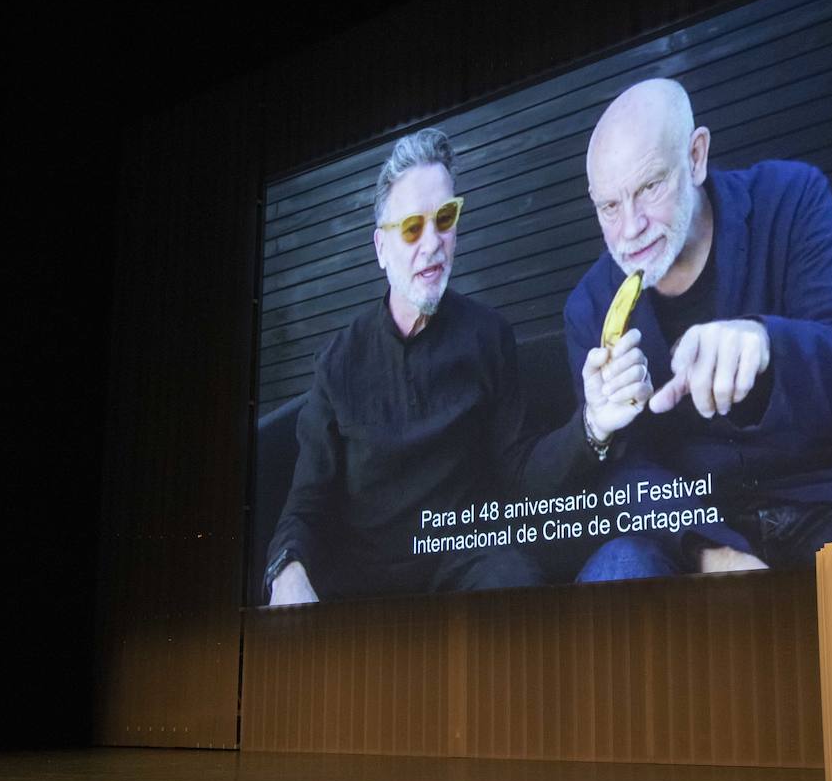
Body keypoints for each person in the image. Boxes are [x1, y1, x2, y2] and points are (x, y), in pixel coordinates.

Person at [563, 78, 832, 579]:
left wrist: (768, 345)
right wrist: (711, 550)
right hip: (684, 524)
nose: (630, 229)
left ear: (696, 157)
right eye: (610, 206)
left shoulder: (790, 198)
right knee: (615, 574)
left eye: (650, 187)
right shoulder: (588, 304)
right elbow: (623, 472)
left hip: (826, 493)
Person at [266, 128, 652, 605]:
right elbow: (306, 503)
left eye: (445, 218)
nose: (432, 243)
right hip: (369, 586)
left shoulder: (487, 336)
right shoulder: (337, 364)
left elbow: (522, 474)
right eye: (412, 227)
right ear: (380, 248)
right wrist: (287, 572)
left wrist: (592, 425)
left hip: (468, 560)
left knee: (517, 583)